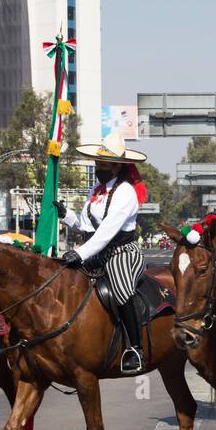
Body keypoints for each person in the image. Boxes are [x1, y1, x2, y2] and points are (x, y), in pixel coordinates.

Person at [53, 130, 150, 374]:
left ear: (116, 167)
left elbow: (107, 232)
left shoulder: (126, 192)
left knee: (121, 289)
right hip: (96, 252)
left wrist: (80, 254)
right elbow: (86, 226)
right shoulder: (95, 190)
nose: (98, 166)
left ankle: (135, 348)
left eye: (103, 163)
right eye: (97, 162)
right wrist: (67, 215)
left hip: (121, 252)